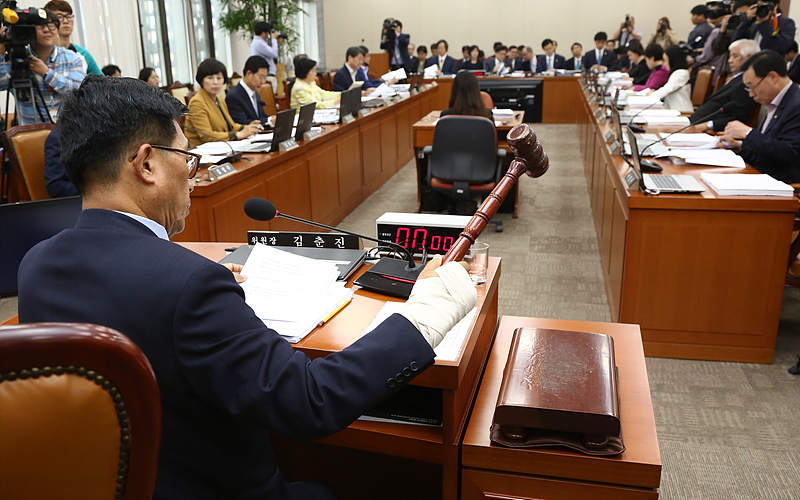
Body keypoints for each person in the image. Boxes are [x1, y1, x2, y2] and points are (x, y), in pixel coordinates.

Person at [17, 74, 476, 500]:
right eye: (187, 157)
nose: (194, 176)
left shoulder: (35, 266)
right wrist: (422, 318)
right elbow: (309, 401)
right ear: (147, 163)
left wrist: (190, 281)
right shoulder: (187, 283)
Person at [722, 50, 800, 183]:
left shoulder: (796, 104)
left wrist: (748, 133)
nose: (751, 94)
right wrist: (740, 145)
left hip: (779, 184)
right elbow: (769, 144)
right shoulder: (775, 102)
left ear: (773, 77)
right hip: (758, 174)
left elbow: (788, 153)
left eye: (752, 87)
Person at [0, 9, 85, 125]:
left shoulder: (72, 58)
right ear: (28, 30)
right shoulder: (17, 58)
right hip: (32, 133)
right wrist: (0, 55)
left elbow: (80, 92)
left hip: (68, 130)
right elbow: (1, 84)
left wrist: (47, 73)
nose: (46, 30)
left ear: (57, 30)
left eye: (51, 25)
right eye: (40, 26)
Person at [184, 58, 260, 146]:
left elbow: (231, 126)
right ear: (201, 80)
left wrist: (248, 128)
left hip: (222, 148)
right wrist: (239, 134)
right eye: (210, 78)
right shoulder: (196, 103)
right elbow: (207, 136)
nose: (215, 82)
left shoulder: (219, 99)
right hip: (204, 154)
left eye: (219, 78)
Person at [691, 39, 759, 133]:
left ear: (750, 58)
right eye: (730, 56)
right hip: (694, 124)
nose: (730, 61)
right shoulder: (735, 79)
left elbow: (738, 118)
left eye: (735, 56)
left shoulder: (745, 83)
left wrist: (708, 125)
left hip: (705, 131)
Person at [44, 0, 101, 75]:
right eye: (59, 16)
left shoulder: (82, 53)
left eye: (69, 16)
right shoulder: (43, 52)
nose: (66, 21)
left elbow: (103, 82)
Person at [731, 0, 796, 56]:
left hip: (771, 66)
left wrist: (764, 23)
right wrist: (747, 21)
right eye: (759, 6)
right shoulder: (754, 24)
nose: (762, 9)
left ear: (775, 6)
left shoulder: (786, 23)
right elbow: (736, 42)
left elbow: (781, 47)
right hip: (752, 64)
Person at [226, 56, 272, 125]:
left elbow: (261, 117)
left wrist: (271, 119)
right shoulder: (233, 96)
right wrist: (269, 120)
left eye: (265, 78)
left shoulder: (255, 94)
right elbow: (241, 123)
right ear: (249, 74)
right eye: (260, 77)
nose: (263, 81)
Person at [646, 45, 693, 112]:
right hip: (672, 110)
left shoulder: (681, 74)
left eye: (665, 61)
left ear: (673, 60)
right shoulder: (675, 73)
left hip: (682, 112)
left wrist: (651, 95)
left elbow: (667, 89)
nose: (664, 64)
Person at [43, 127, 77, 198]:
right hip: (81, 201)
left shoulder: (103, 130)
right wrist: (97, 190)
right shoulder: (58, 137)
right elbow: (55, 186)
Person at [250, 21, 279, 90]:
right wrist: (274, 39)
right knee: (269, 98)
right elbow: (274, 54)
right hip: (267, 76)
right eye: (268, 33)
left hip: (267, 75)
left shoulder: (258, 42)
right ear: (263, 33)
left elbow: (271, 53)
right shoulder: (259, 43)